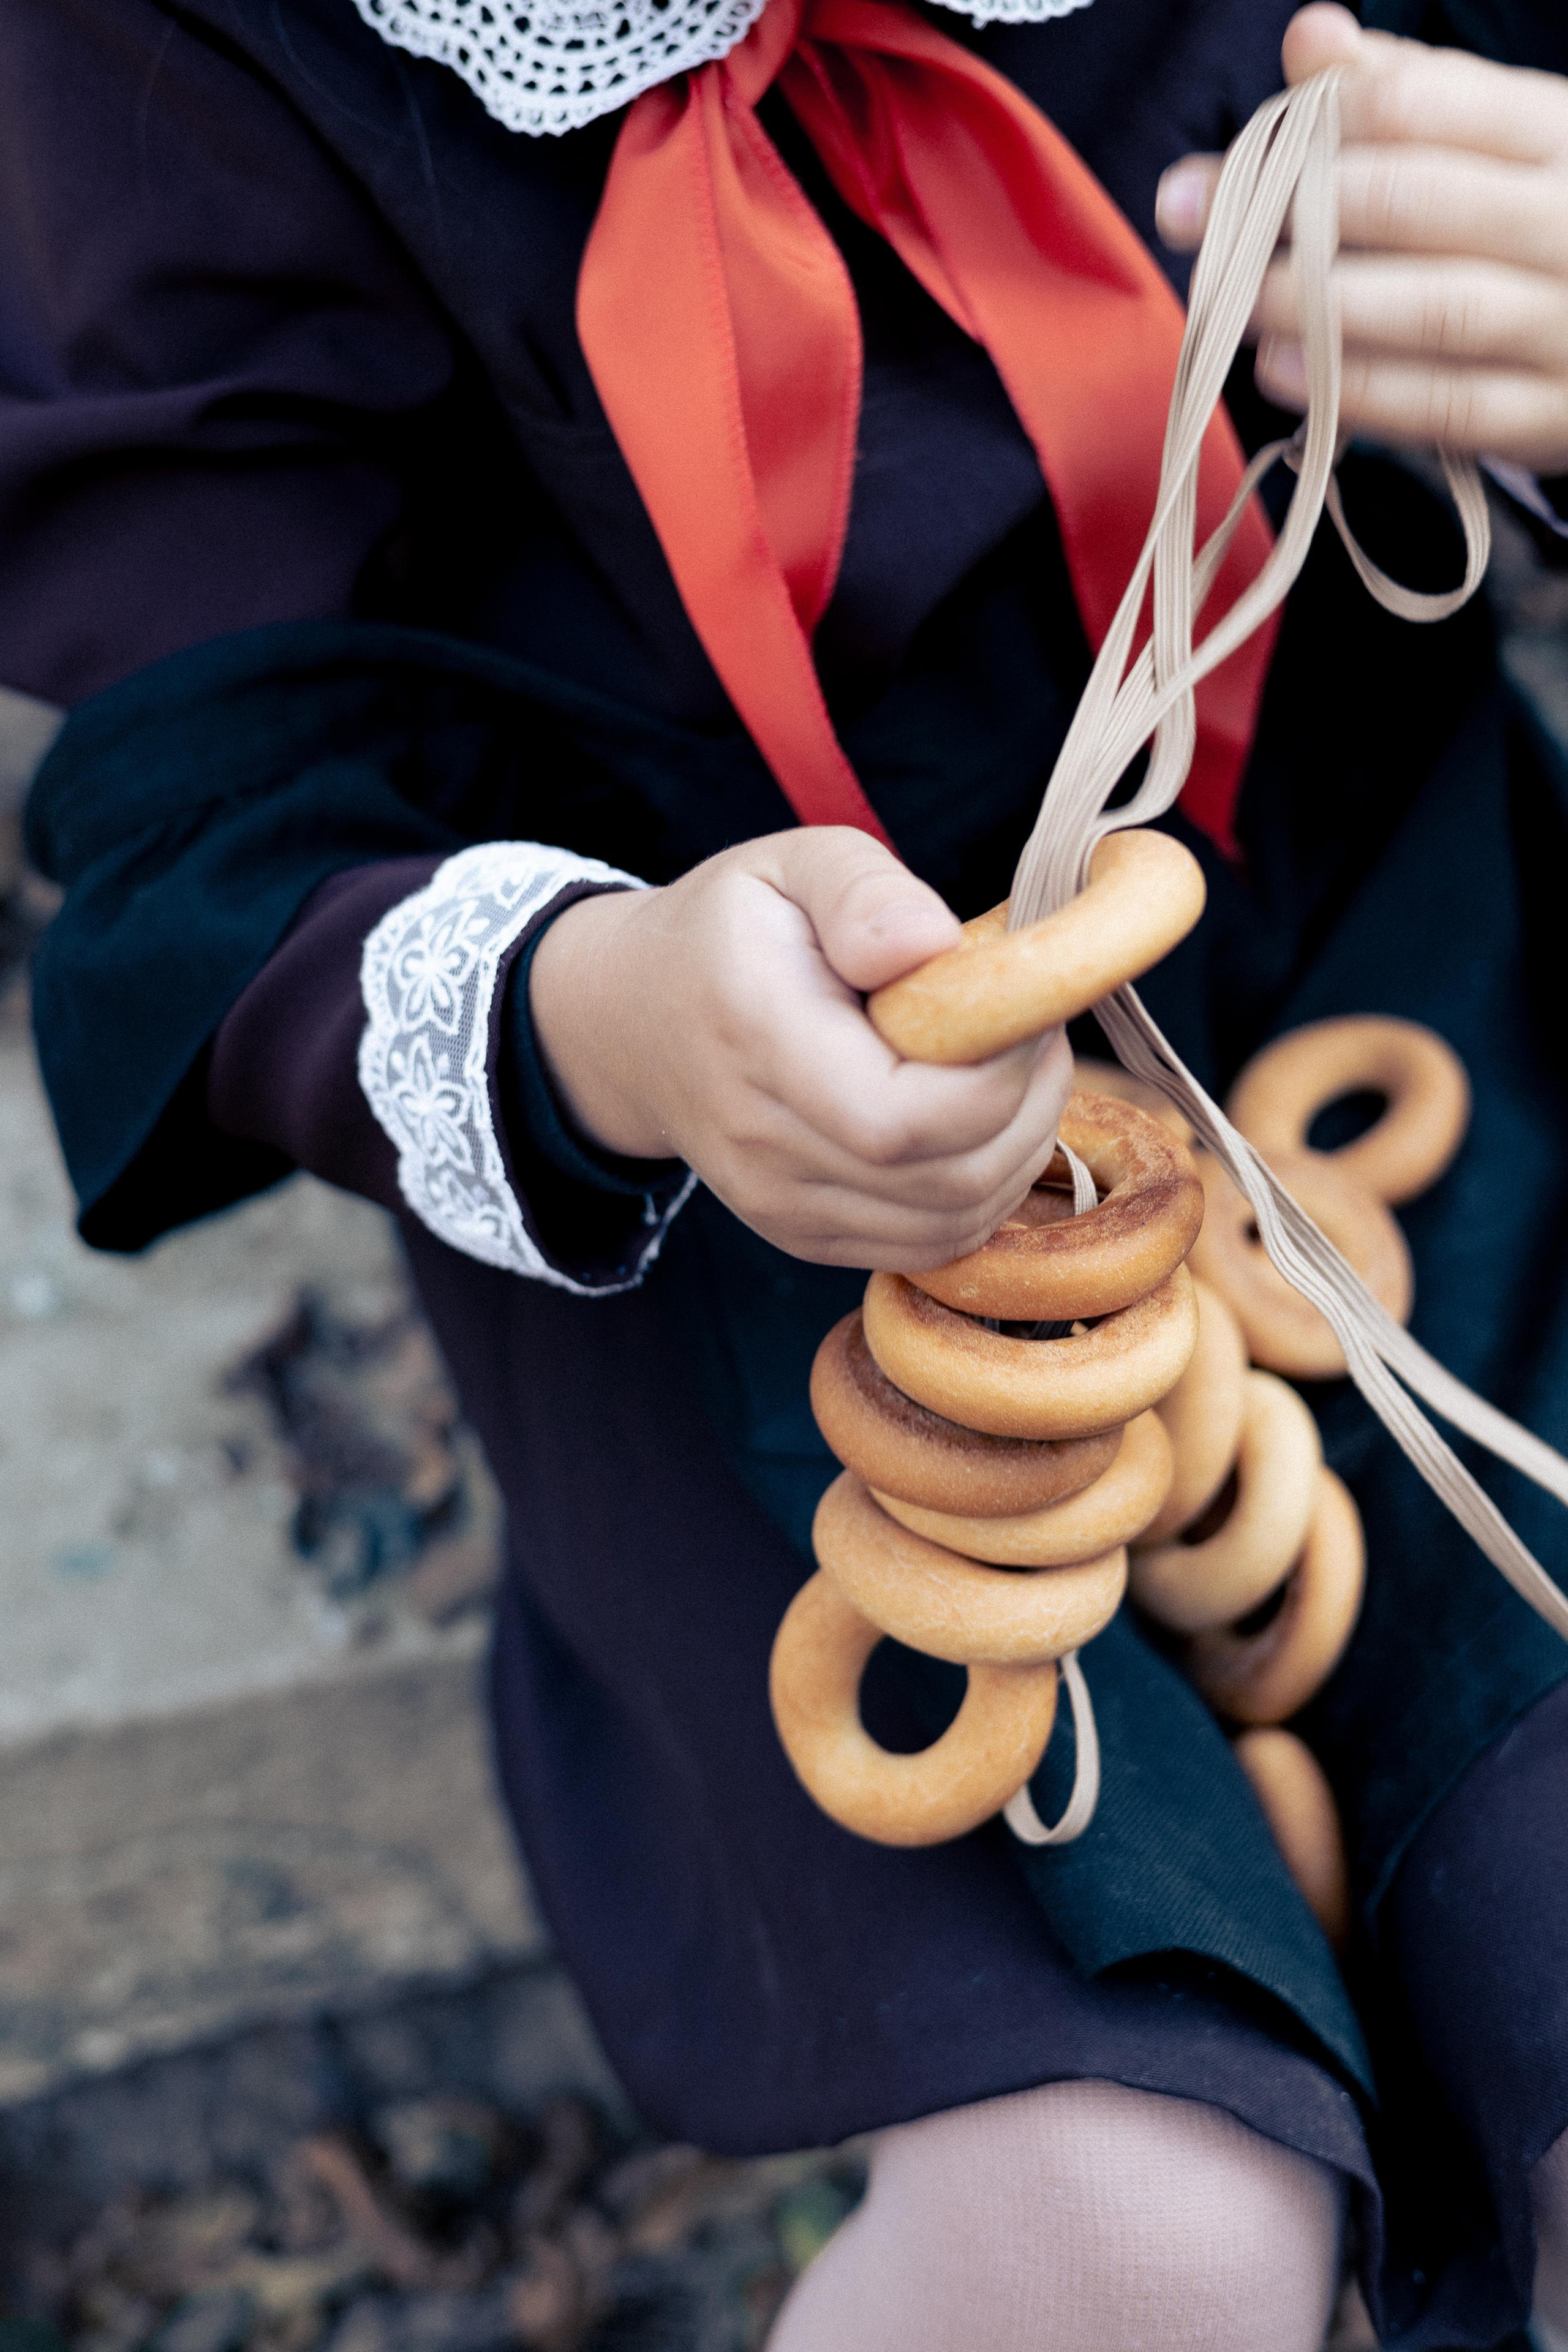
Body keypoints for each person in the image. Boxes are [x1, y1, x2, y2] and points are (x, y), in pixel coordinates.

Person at [6, 0, 1568, 2339]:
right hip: (724, 1159)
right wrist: (608, 1017)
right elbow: (208, 822)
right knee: (1132, 2233)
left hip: (1384, 924)